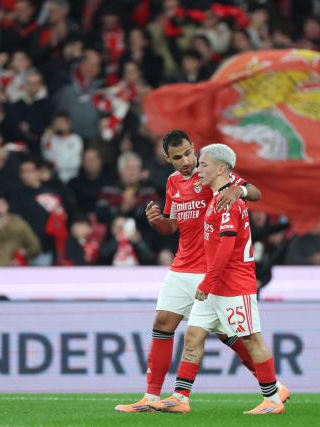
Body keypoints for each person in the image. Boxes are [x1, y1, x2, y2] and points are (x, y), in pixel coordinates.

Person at [114, 130, 288, 412]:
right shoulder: (172, 183)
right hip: (182, 265)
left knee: (231, 335)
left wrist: (238, 190)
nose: (185, 161)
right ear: (167, 159)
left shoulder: (211, 174)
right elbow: (173, 226)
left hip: (211, 267)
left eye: (187, 153)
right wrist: (157, 222)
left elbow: (255, 193)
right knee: (163, 324)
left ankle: (273, 388)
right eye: (177, 157)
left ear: (193, 149)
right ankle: (153, 397)